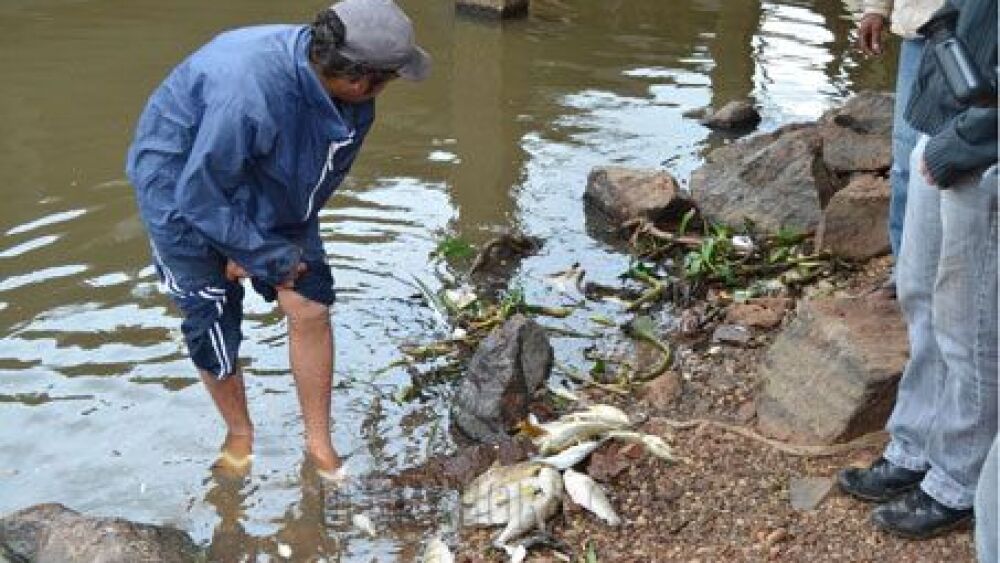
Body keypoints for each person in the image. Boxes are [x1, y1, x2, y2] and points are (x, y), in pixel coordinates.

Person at [125, 0, 430, 480]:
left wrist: (262, 250)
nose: (388, 88)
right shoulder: (246, 93)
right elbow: (199, 193)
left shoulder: (351, 99)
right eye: (391, 77)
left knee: (309, 306)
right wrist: (245, 249)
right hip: (182, 191)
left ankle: (319, 445)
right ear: (358, 78)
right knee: (213, 324)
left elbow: (320, 179)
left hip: (274, 183)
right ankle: (240, 432)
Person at [838, 0, 997, 539]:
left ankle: (959, 480)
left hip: (983, 146)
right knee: (920, 291)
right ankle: (915, 443)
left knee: (970, 325)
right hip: (947, 106)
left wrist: (968, 141)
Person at [856, 0, 943, 299]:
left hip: (978, 35)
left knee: (962, 162)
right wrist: (876, 9)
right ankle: (904, 270)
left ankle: (953, 273)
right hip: (918, 32)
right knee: (906, 163)